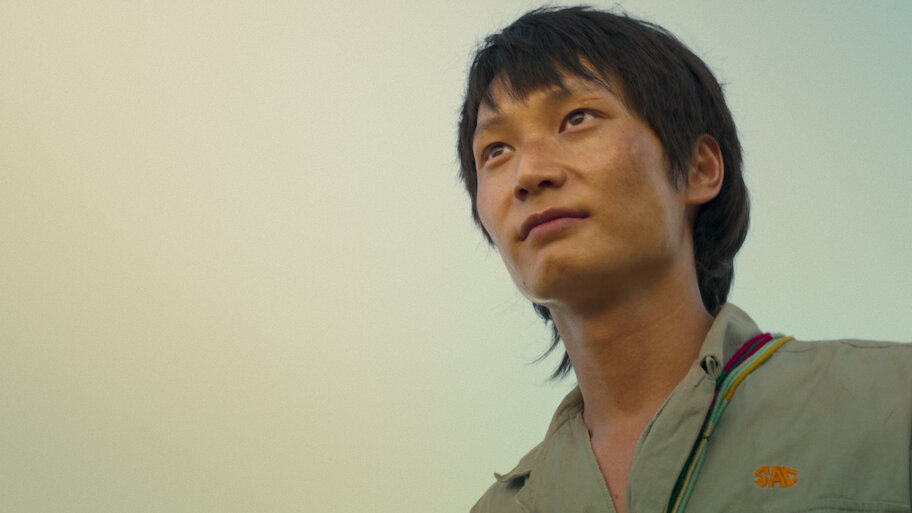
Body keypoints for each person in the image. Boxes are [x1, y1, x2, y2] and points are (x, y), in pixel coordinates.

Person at [456, 6, 912, 513]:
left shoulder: (893, 400)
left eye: (577, 118)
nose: (528, 173)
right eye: (496, 150)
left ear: (699, 169)